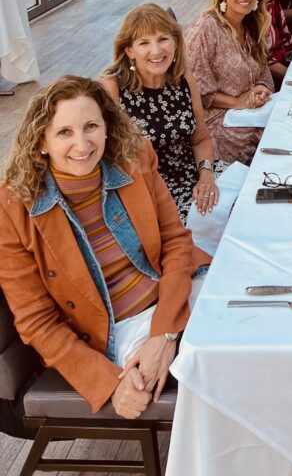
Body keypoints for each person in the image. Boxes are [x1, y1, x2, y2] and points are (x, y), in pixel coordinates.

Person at [0, 76, 206, 416]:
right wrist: (109, 382)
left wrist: (164, 333)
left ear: (107, 127)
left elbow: (176, 243)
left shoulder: (135, 158)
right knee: (219, 372)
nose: (82, 145)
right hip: (114, 333)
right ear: (41, 142)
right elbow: (37, 321)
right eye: (64, 132)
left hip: (176, 294)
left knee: (252, 336)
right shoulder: (13, 207)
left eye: (91, 126)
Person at [101, 5, 220, 224]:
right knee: (214, 222)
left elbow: (201, 138)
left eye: (163, 39)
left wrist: (206, 175)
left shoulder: (184, 80)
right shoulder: (113, 88)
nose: (156, 51)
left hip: (194, 173)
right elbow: (108, 160)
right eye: (144, 43)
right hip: (148, 190)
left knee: (251, 198)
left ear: (175, 42)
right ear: (129, 51)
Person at [185, 0, 273, 166]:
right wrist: (237, 103)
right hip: (217, 123)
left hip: (250, 113)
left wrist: (260, 89)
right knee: (277, 133)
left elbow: (263, 75)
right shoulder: (206, 29)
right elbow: (194, 91)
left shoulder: (252, 25)